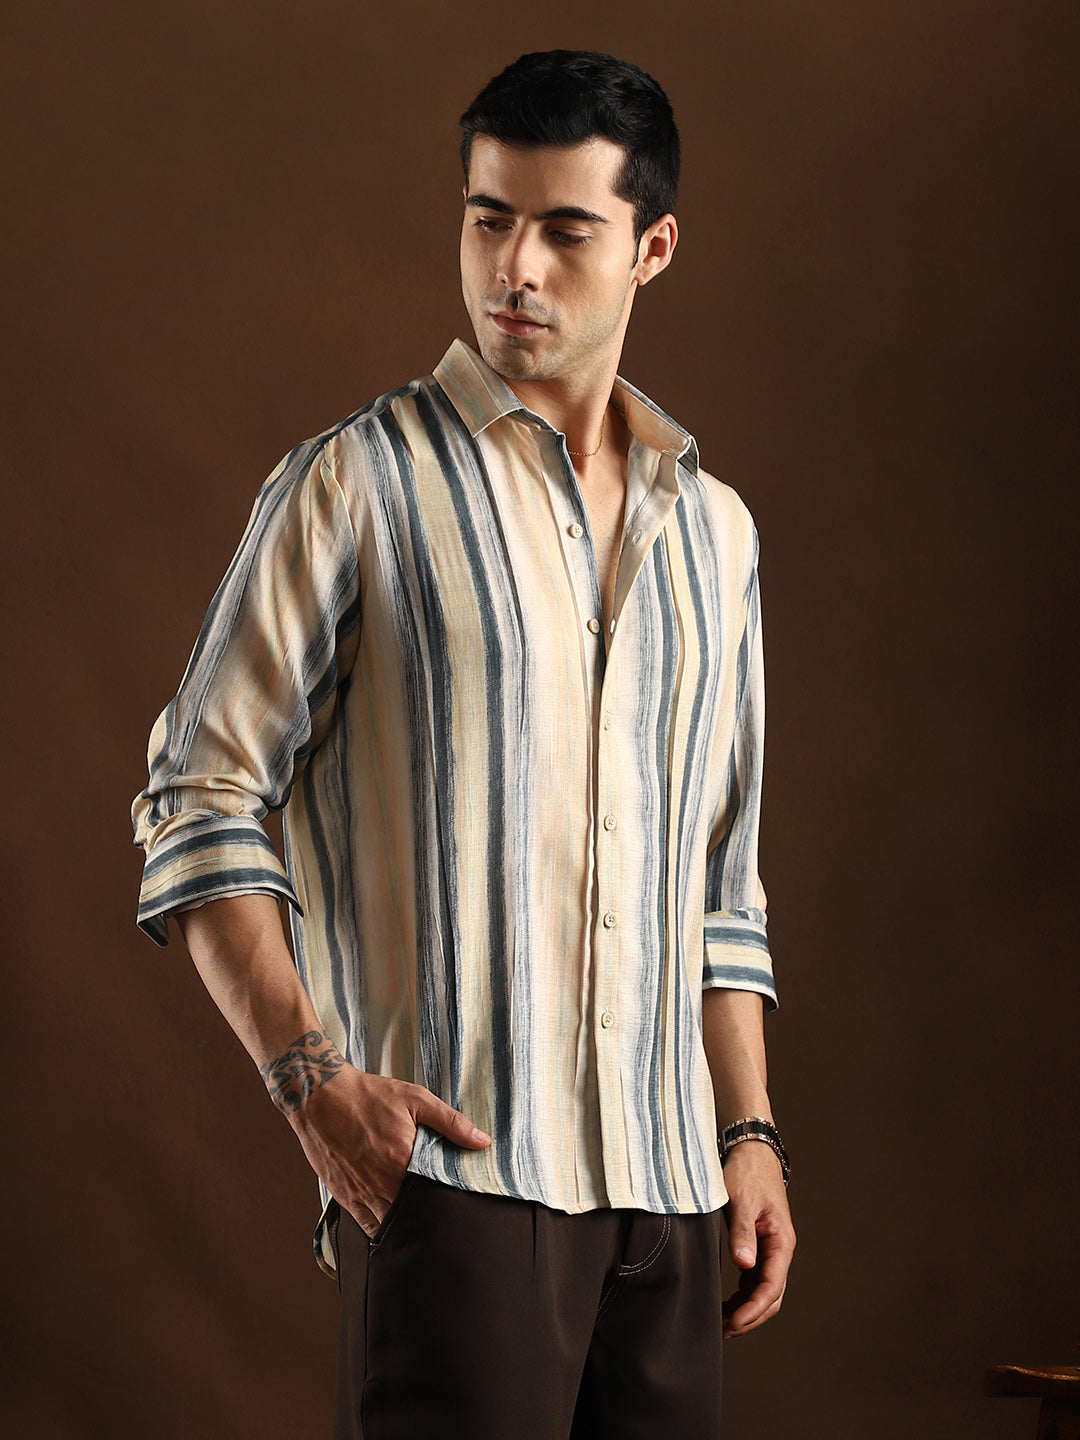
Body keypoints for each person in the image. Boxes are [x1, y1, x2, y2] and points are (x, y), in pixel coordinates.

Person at [132, 48, 795, 1439]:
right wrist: (314, 1088)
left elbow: (720, 883)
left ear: (653, 248)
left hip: (674, 1199)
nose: (515, 268)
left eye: (566, 230)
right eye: (489, 218)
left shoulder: (716, 536)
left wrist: (748, 1136)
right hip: (461, 1189)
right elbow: (199, 793)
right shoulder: (357, 484)